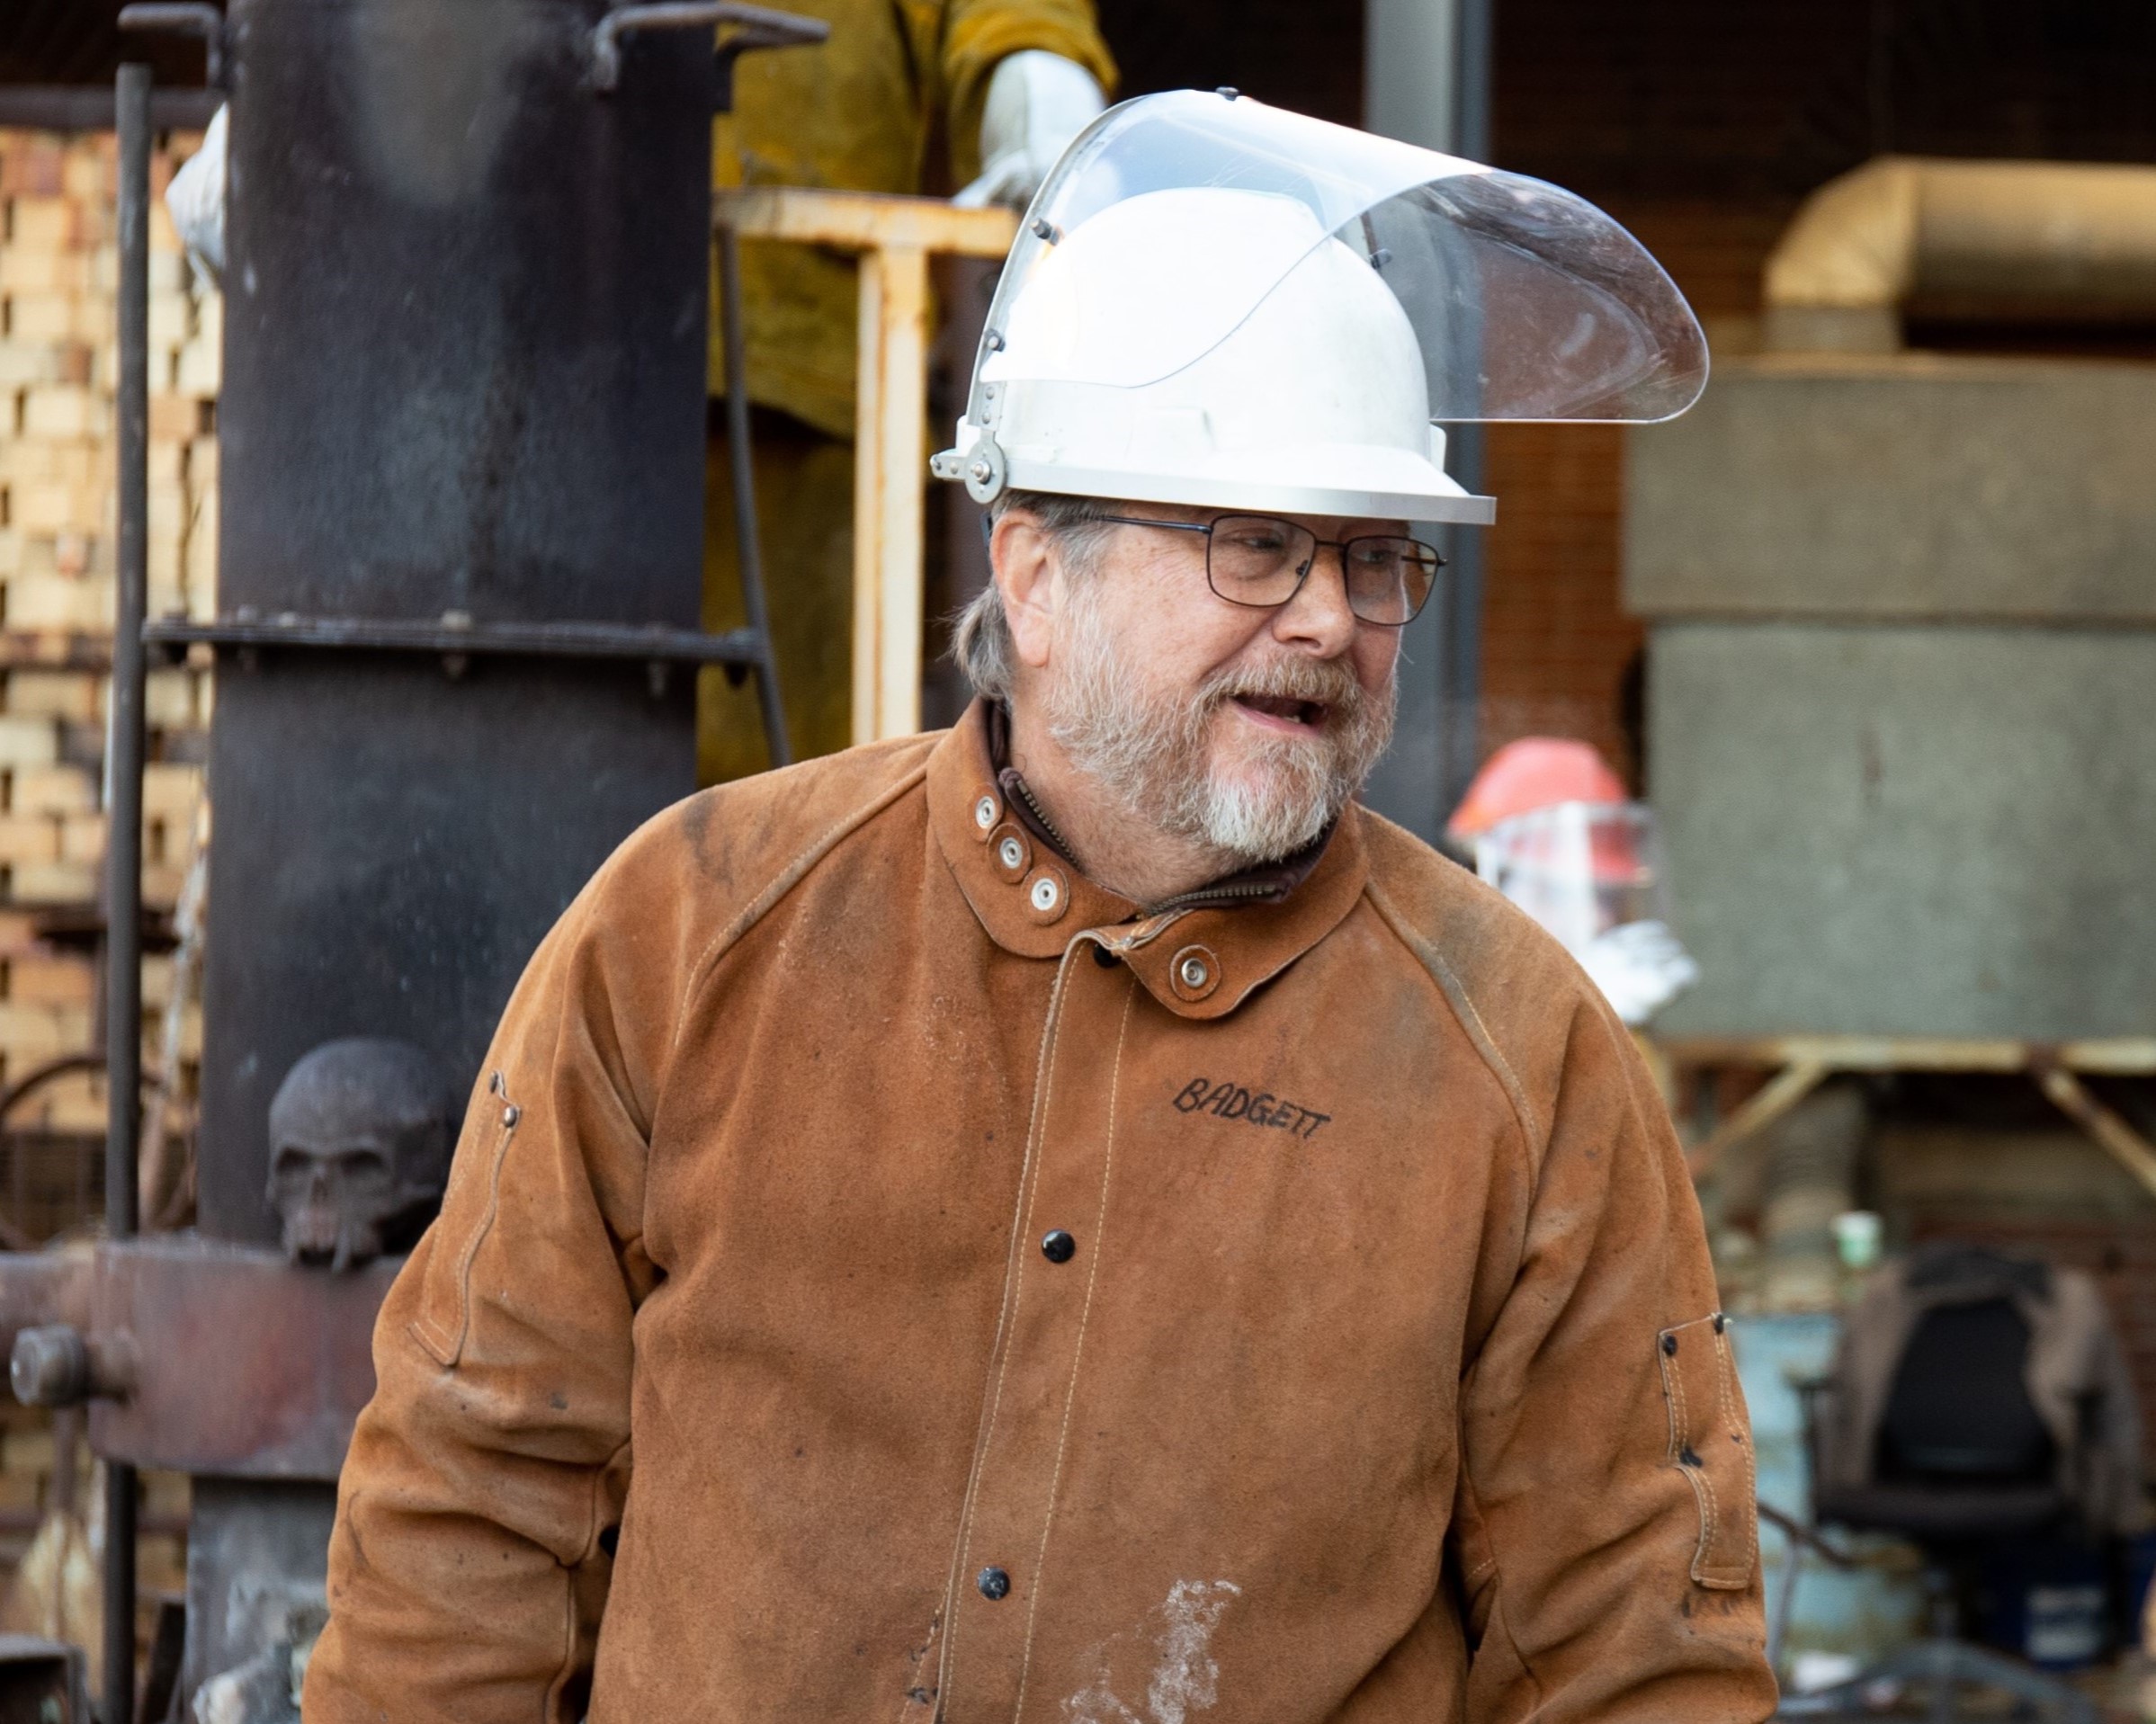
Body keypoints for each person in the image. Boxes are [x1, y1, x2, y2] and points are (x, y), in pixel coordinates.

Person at [305, 94, 1776, 1722]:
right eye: (1258, 544)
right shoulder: (693, 928)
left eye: (1376, 560)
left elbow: (1639, 1655)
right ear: (1031, 571)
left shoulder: (1518, 1053)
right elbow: (466, 1509)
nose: (1329, 619)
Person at [701, 0, 1115, 780]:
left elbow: (1018, 21)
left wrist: (1050, 133)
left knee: (783, 794)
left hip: (799, 396)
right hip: (518, 373)